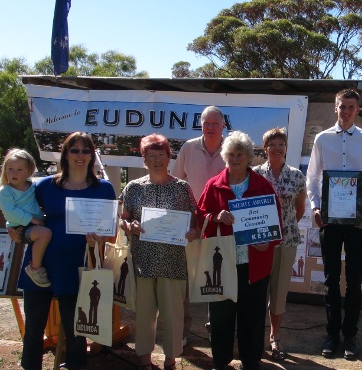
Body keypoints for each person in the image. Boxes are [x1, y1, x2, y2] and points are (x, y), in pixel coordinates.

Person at [17, 132, 116, 370]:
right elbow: (18, 216)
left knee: (76, 332)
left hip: (77, 268)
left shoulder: (104, 189)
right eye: (74, 150)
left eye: (85, 150)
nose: (80, 155)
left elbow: (110, 231)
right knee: (33, 330)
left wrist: (100, 239)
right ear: (65, 154)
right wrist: (22, 233)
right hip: (41, 267)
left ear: (92, 155)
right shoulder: (43, 187)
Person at [197, 130, 282, 370]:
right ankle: (221, 361)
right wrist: (214, 216)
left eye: (240, 154)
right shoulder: (214, 185)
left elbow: (277, 225)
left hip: (254, 264)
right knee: (220, 316)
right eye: (231, 154)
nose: (235, 159)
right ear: (225, 156)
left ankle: (251, 360)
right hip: (221, 263)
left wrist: (269, 242)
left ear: (248, 157)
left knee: (252, 315)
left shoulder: (262, 186)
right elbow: (199, 216)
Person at [306, 88, 362, 360]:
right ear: (335, 108)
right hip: (329, 219)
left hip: (357, 221)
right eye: (342, 106)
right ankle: (331, 333)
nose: (346, 111)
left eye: (351, 107)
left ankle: (350, 335)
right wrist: (315, 206)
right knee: (330, 279)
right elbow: (312, 177)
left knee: (353, 282)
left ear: (357, 110)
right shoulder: (322, 139)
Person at [119, 133, 199, 370]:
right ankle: (144, 359)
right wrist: (129, 226)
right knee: (144, 314)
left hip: (173, 263)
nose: (157, 160)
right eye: (151, 156)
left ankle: (171, 360)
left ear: (169, 157)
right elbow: (123, 219)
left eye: (161, 155)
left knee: (173, 315)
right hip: (142, 262)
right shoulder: (133, 188)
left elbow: (194, 220)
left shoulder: (182, 188)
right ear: (144, 159)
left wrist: (193, 231)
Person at [171, 105, 227, 344]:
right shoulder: (188, 147)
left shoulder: (232, 149)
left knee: (217, 276)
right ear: (201, 125)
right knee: (184, 278)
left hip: (222, 222)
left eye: (215, 123)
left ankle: (217, 327)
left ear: (223, 125)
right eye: (206, 123)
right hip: (192, 220)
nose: (211, 127)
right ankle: (183, 332)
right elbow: (176, 183)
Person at [252, 127, 307, 361]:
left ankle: (275, 336)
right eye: (271, 144)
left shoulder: (296, 176)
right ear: (265, 149)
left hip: (286, 240)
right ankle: (255, 337)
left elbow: (300, 208)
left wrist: (286, 224)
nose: (276, 149)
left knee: (279, 291)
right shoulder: (254, 174)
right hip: (259, 243)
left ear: (286, 147)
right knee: (257, 290)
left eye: (280, 144)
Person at [0, 148, 52, 287]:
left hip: (35, 222)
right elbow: (10, 212)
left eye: (20, 169)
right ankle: (35, 268)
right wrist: (32, 219)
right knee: (45, 234)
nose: (14, 173)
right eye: (10, 169)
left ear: (29, 171)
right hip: (19, 226)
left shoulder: (33, 187)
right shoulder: (5, 192)